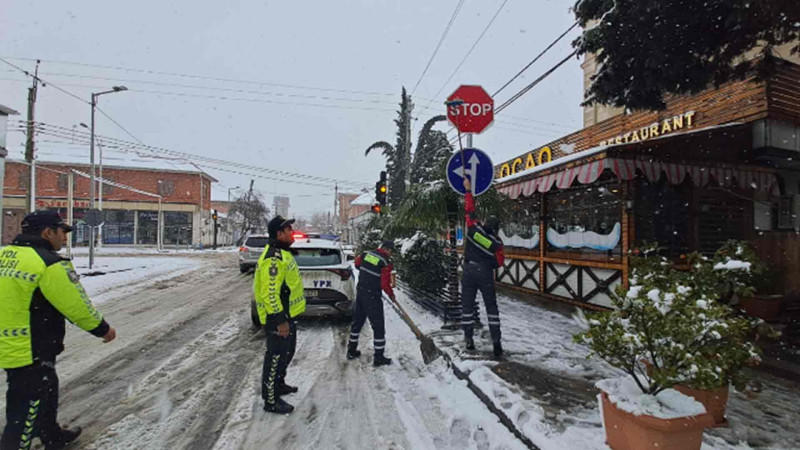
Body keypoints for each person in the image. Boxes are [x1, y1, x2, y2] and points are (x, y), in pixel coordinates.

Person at [0, 210, 116, 450]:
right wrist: (102, 329)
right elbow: (76, 305)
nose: (64, 238)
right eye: (62, 232)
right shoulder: (48, 262)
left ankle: (52, 435)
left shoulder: (4, 256)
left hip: (9, 341)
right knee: (25, 409)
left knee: (46, 389)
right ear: (47, 232)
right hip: (30, 346)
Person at [253, 215, 306, 414]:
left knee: (286, 353)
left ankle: (279, 384)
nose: (292, 232)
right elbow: (270, 293)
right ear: (279, 234)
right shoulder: (273, 258)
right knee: (275, 357)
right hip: (278, 319)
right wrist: (280, 321)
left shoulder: (283, 253)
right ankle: (271, 399)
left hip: (288, 316)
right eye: (288, 229)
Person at [461, 178, 505, 357]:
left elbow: (469, 211)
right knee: (491, 308)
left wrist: (468, 191)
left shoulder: (474, 231)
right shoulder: (497, 243)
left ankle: (469, 340)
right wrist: (488, 264)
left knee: (467, 307)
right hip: (485, 274)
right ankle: (496, 342)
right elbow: (499, 262)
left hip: (469, 272)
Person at [346, 240, 396, 367]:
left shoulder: (366, 254)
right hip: (373, 296)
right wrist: (391, 294)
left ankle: (351, 350)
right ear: (387, 250)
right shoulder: (385, 261)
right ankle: (379, 357)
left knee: (357, 322)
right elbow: (384, 283)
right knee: (378, 326)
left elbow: (357, 265)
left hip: (361, 292)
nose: (391, 254)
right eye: (391, 251)